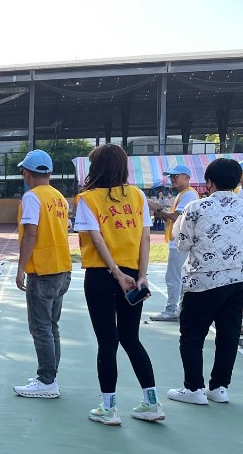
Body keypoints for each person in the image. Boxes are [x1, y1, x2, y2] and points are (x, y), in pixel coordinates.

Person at [74, 143, 162, 425]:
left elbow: (97, 238)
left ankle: (109, 407)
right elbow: (145, 237)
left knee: (107, 341)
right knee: (131, 338)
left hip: (102, 275)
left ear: (97, 168)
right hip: (133, 274)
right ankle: (152, 402)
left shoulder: (87, 199)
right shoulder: (137, 195)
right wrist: (141, 275)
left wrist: (115, 272)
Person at [167, 158, 243, 405]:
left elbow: (182, 243)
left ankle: (193, 388)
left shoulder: (197, 207)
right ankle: (219, 387)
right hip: (237, 280)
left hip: (202, 280)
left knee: (192, 334)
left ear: (209, 182)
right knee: (229, 334)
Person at [12, 150, 74, 400]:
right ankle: (50, 376)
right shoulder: (59, 198)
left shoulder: (32, 197)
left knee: (40, 327)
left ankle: (47, 380)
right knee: (51, 326)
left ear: (27, 173)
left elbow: (31, 234)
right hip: (62, 268)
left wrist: (21, 267)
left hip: (43, 270)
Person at [150, 164, 200, 322]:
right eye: (171, 177)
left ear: (187, 178)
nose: (172, 179)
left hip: (180, 243)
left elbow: (176, 217)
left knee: (173, 278)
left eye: (176, 176)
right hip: (180, 241)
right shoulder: (184, 194)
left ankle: (172, 309)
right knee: (179, 277)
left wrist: (158, 209)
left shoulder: (189, 194)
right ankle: (179, 309)